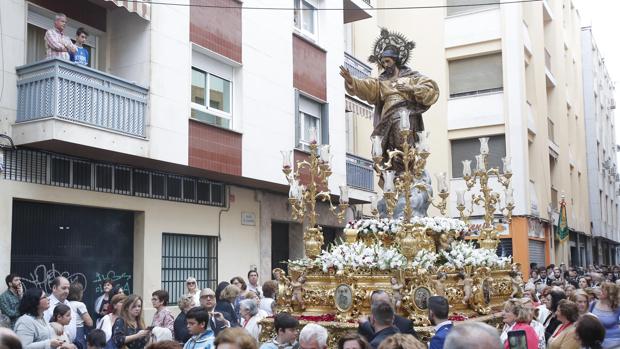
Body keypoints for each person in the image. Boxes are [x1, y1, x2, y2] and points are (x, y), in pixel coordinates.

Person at [44, 278, 77, 343]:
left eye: (68, 288)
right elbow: (42, 327)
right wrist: (52, 324)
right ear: (54, 288)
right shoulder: (46, 304)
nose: (67, 291)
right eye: (64, 288)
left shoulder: (68, 304)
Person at [588, 282, 620, 348]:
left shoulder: (617, 307)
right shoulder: (592, 304)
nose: (599, 292)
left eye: (603, 290)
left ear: (610, 293)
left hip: (614, 343)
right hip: (596, 342)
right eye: (600, 289)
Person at [68, 282, 93, 349]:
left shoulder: (65, 303)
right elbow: (90, 323)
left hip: (67, 334)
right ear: (79, 293)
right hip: (79, 334)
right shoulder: (80, 305)